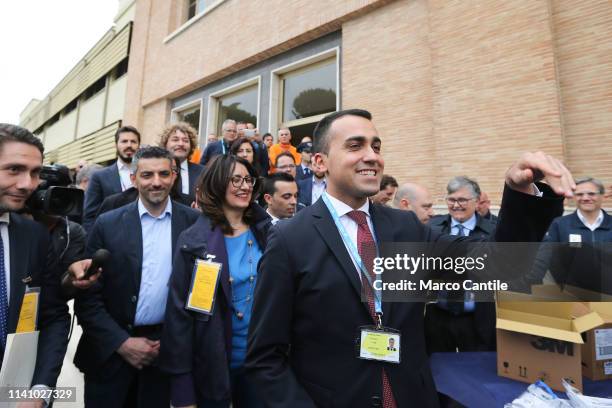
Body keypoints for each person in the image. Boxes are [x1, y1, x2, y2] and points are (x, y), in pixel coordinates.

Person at [245, 109, 571, 407]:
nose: (371, 156)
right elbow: (266, 358)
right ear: (319, 162)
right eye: (355, 146)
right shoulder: (290, 239)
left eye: (377, 146)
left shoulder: (406, 228)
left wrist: (521, 195)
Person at [74, 147, 199, 408]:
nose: (156, 182)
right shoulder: (107, 224)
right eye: (147, 175)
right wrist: (122, 343)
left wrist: (172, 341)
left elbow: (199, 294)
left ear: (174, 176)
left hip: (163, 354)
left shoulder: (194, 223)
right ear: (133, 179)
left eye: (164, 174)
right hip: (109, 357)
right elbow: (87, 297)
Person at [160, 154, 271, 408]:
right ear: (216, 184)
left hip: (266, 368)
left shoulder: (267, 232)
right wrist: (183, 393)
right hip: (214, 369)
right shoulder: (193, 242)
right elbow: (179, 321)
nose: (244, 186)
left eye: (248, 179)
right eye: (235, 179)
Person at [0, 124, 70, 407]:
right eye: (14, 169)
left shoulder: (35, 236)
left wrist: (39, 390)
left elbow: (54, 316)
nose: (28, 184)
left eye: (35, 172)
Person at [426, 176, 497, 354]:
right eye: (451, 200)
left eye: (462, 200)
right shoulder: (433, 228)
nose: (456, 205)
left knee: (477, 369)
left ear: (477, 200)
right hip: (438, 314)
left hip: (477, 317)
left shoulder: (493, 230)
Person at [527, 177, 612, 292]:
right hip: (574, 296)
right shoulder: (560, 225)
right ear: (574, 197)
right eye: (580, 194)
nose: (585, 198)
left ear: (602, 196)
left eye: (591, 194)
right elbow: (548, 259)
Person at [83, 126, 141, 231]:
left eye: (133, 142)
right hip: (110, 237)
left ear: (138, 146)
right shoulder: (99, 177)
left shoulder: (148, 175)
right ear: (116, 145)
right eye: (124, 141)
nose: (129, 145)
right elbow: (89, 216)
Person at [159, 122, 205, 203]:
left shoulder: (203, 172)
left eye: (185, 141)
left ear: (191, 146)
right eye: (175, 140)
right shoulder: (156, 170)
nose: (181, 144)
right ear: (165, 144)